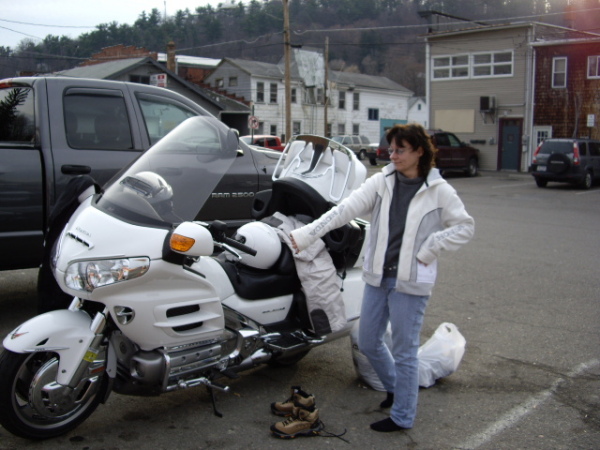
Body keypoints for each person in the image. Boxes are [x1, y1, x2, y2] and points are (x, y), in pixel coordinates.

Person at [290, 123, 474, 432]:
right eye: (391, 149)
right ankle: (395, 388)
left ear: (419, 151)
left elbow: (465, 226)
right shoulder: (382, 181)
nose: (393, 155)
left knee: (405, 352)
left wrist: (430, 248)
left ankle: (403, 415)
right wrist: (308, 234)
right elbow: (344, 210)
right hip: (378, 277)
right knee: (369, 341)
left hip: (411, 283)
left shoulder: (438, 190)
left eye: (400, 150)